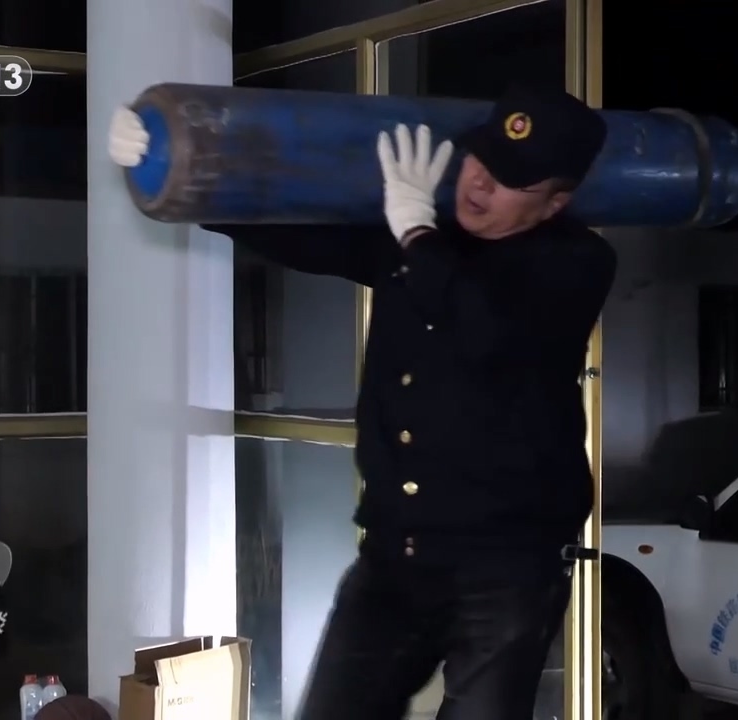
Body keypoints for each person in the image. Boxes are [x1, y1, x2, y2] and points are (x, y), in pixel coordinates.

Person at [108, 84, 617, 720]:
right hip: (395, 554)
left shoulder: (577, 261)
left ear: (554, 202)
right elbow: (298, 236)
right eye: (481, 159)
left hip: (507, 563)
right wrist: (176, 171)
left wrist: (415, 231)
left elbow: (483, 330)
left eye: (511, 179)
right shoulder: (421, 238)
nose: (480, 183)